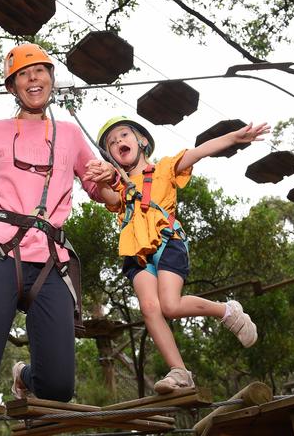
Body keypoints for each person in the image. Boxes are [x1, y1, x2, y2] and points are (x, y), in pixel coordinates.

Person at [0, 43, 117, 404]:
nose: (33, 78)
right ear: (12, 87)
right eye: (23, 74)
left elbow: (98, 190)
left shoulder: (70, 135)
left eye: (40, 70)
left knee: (58, 390)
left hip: (51, 261)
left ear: (52, 79)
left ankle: (23, 375)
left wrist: (111, 177)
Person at [93, 116, 267, 393]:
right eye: (111, 143)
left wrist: (234, 138)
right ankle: (180, 372)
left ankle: (227, 311)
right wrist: (99, 179)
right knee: (150, 308)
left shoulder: (164, 168)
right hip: (136, 254)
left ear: (142, 141)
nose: (118, 142)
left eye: (124, 135)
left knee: (171, 306)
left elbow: (200, 151)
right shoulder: (120, 187)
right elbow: (110, 199)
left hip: (168, 242)